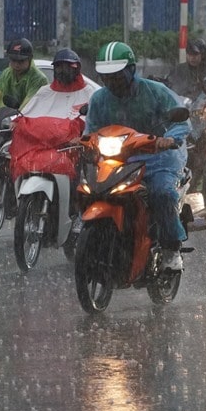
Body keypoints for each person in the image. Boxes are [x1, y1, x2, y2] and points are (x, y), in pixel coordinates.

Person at [84, 41, 190, 271]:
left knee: (162, 193)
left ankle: (171, 249)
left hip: (159, 158)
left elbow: (182, 122)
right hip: (118, 159)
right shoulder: (99, 99)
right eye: (106, 77)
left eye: (117, 75)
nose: (112, 81)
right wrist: (82, 142)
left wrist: (168, 139)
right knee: (88, 189)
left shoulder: (155, 91)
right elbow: (91, 130)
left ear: (131, 70)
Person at [0, 38, 48, 121]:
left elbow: (29, 104)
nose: (16, 65)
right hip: (11, 119)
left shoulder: (38, 79)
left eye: (21, 61)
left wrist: (17, 119)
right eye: (13, 60)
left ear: (30, 59)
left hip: (32, 120)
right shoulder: (7, 73)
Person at [19, 48, 100, 118]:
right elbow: (25, 117)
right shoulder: (45, 92)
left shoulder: (89, 93)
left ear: (76, 69)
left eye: (66, 67)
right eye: (59, 67)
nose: (62, 71)